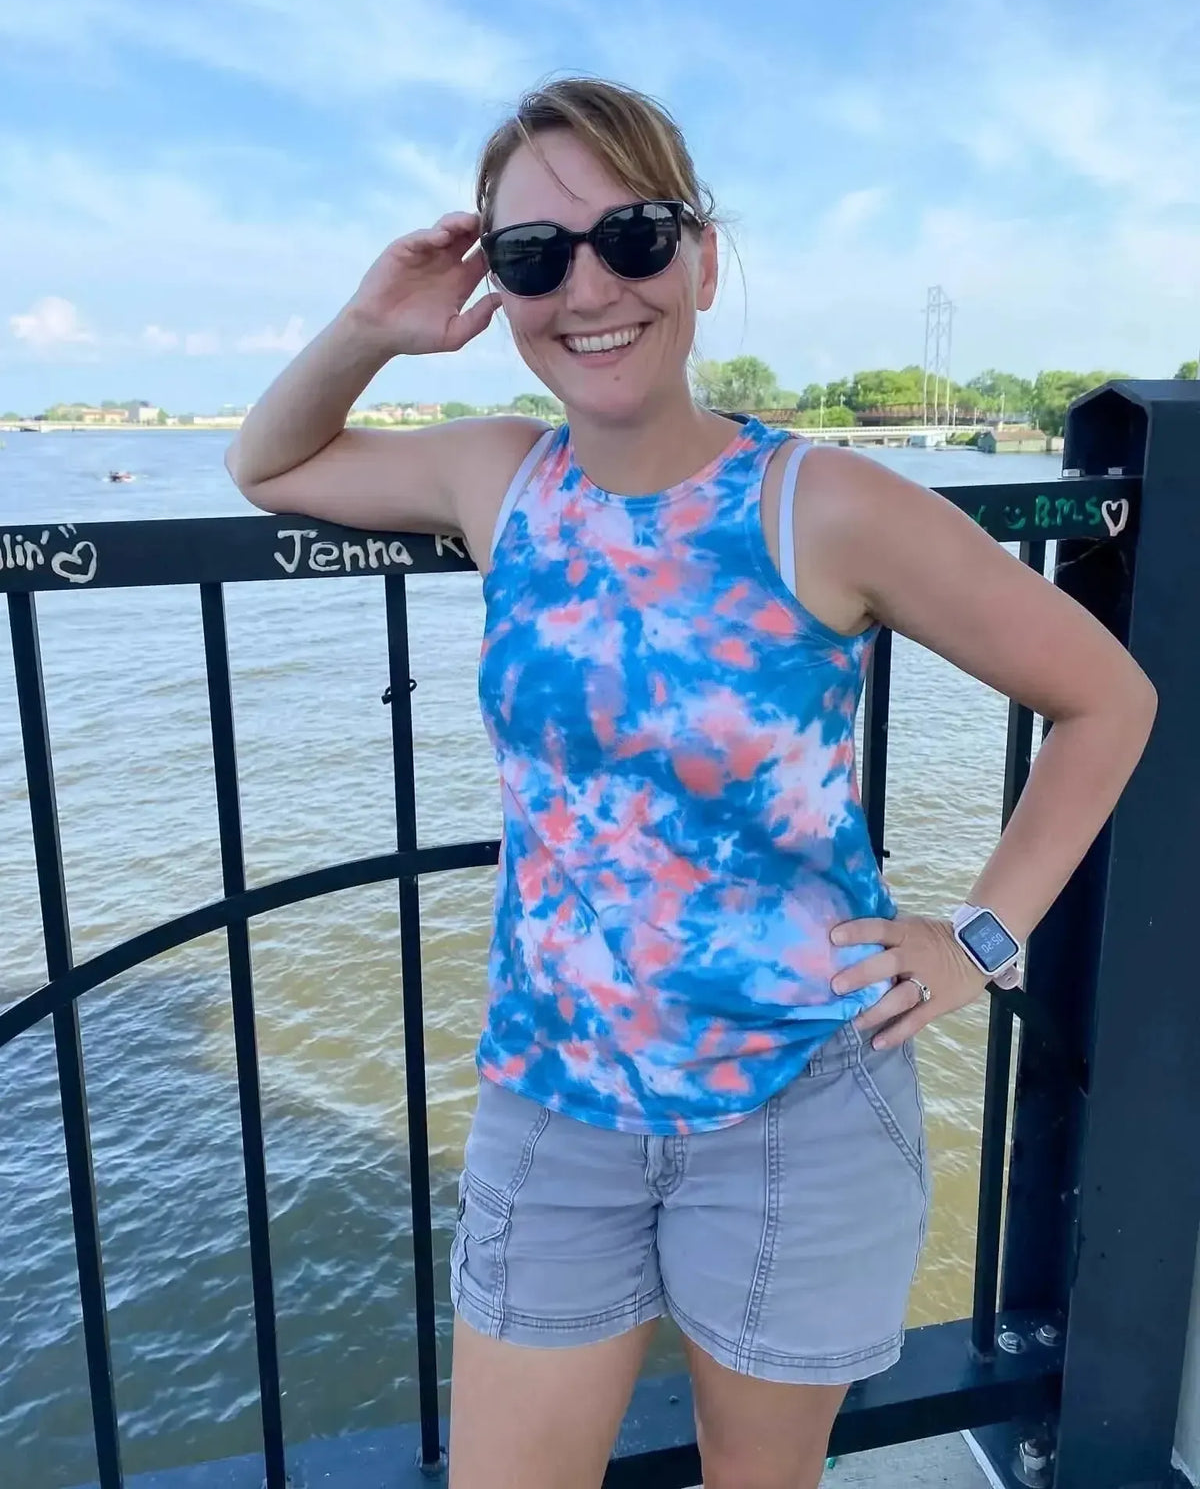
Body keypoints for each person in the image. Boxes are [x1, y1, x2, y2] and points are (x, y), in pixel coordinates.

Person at [226, 76, 1157, 1489]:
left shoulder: (822, 503)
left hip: (800, 1106)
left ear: (703, 259)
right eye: (535, 253)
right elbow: (269, 462)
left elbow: (1106, 698)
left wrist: (982, 937)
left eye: (635, 236)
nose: (589, 285)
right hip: (555, 1104)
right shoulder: (500, 481)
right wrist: (374, 326)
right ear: (503, 285)